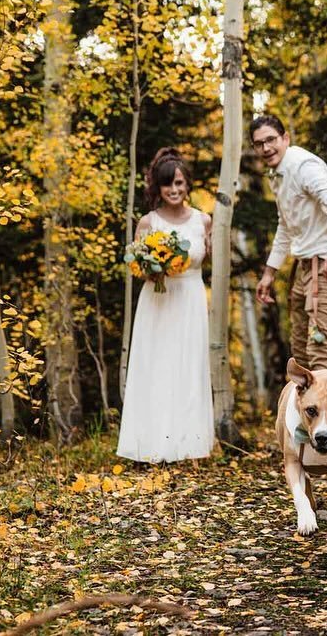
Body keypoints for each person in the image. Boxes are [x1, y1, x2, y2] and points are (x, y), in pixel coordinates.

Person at [117, 147, 215, 463]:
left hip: (190, 301)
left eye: (179, 183)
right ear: (158, 189)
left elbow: (208, 258)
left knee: (188, 368)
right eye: (167, 185)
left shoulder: (204, 220)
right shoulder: (148, 223)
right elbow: (136, 266)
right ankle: (150, 446)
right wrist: (155, 264)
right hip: (157, 301)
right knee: (156, 368)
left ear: (187, 185)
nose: (174, 190)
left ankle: (189, 446)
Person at [252, 115, 327, 370]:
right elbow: (286, 225)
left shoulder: (303, 166)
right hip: (304, 269)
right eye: (259, 144)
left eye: (271, 140)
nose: (266, 148)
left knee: (322, 352)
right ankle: (300, 411)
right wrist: (269, 274)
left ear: (285, 138)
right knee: (300, 355)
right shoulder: (277, 174)